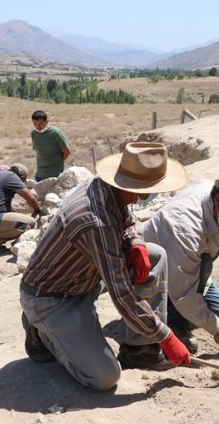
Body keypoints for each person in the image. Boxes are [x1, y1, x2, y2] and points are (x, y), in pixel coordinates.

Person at [19, 142, 192, 390]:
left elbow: (126, 218)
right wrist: (167, 337)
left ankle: (140, 349)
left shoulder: (107, 187)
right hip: (52, 298)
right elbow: (122, 296)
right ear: (138, 189)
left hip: (83, 276)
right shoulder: (96, 222)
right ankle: (41, 331)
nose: (151, 195)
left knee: (155, 256)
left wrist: (135, 242)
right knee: (105, 377)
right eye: (150, 190)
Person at [141, 174, 219, 353]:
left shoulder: (210, 190)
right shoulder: (186, 231)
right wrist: (217, 329)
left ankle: (179, 314)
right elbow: (184, 294)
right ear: (218, 200)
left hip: (186, 264)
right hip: (157, 271)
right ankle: (165, 322)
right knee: (206, 317)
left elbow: (211, 220)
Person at [30, 110, 71, 181]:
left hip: (55, 175)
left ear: (47, 121)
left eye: (40, 124)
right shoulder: (34, 134)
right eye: (35, 124)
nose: (38, 127)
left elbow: (66, 152)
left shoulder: (55, 133)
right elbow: (39, 151)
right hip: (40, 174)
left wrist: (57, 162)